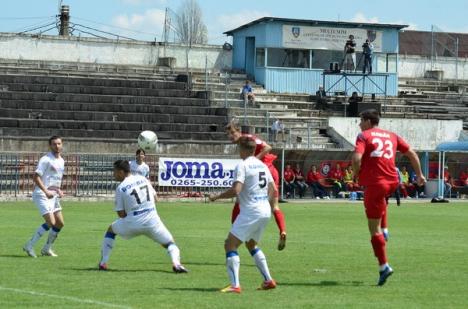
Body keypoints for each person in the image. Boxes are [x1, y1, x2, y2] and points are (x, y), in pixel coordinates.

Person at [352, 109, 426, 286]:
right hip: (392, 181)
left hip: (376, 183)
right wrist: (420, 175)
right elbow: (412, 154)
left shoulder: (364, 136)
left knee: (373, 228)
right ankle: (385, 229)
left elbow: (356, 157)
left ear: (368, 121)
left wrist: (356, 173)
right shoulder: (392, 135)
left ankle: (384, 266)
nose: (359, 124)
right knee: (381, 202)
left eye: (361, 120)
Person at [209, 136, 279, 293]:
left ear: (245, 149)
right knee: (251, 244)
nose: (238, 151)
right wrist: (262, 200)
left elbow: (236, 190)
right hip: (264, 210)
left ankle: (235, 285)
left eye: (239, 148)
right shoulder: (262, 165)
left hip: (251, 211)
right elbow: (273, 189)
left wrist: (217, 196)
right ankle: (268, 280)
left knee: (230, 244)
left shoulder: (242, 165)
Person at [98, 160, 188, 273]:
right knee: (170, 243)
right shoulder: (143, 179)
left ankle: (103, 263)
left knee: (111, 230)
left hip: (133, 222)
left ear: (121, 172)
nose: (113, 174)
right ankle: (176, 264)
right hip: (152, 221)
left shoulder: (121, 188)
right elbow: (155, 199)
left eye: (114, 171)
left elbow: (121, 214)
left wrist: (131, 214)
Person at [225, 120, 286, 250]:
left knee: (239, 200)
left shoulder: (248, 139)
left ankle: (235, 231)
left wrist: (254, 160)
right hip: (270, 172)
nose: (230, 136)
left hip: (264, 170)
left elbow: (268, 147)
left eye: (232, 133)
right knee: (274, 206)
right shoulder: (244, 143)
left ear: (238, 131)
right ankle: (283, 231)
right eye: (228, 134)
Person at [23, 136, 65, 258]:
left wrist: (59, 190)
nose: (57, 146)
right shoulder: (46, 159)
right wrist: (46, 191)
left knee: (60, 223)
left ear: (62, 145)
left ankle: (46, 248)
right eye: (54, 144)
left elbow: (54, 180)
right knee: (51, 222)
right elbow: (36, 177)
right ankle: (29, 245)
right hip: (42, 194)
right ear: (50, 146)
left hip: (54, 195)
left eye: (59, 144)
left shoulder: (61, 161)